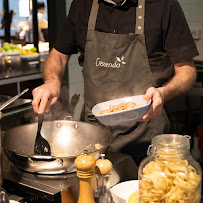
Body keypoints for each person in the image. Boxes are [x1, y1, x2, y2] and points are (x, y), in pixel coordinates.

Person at [32, 0, 198, 165]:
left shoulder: (163, 5)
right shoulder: (83, 5)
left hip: (145, 139)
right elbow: (59, 55)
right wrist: (51, 81)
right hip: (92, 138)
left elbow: (187, 71)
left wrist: (163, 92)